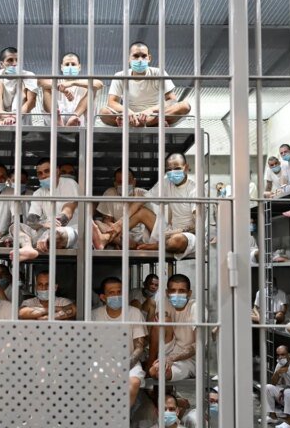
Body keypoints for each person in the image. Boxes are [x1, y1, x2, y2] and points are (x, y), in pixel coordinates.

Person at [100, 41, 190, 127]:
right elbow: (112, 102)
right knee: (103, 112)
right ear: (128, 58)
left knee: (185, 106)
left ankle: (136, 124)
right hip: (130, 116)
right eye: (136, 56)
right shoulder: (120, 76)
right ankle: (151, 124)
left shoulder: (159, 73)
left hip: (154, 115)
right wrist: (127, 111)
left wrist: (151, 110)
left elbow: (172, 100)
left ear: (149, 58)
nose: (140, 60)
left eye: (144, 56)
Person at [7, 158, 79, 261]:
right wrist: (43, 223)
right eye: (40, 173)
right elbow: (31, 220)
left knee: (57, 236)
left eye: (47, 171)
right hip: (44, 236)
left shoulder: (69, 183)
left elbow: (68, 211)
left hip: (67, 231)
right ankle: (27, 247)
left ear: (57, 171)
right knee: (14, 227)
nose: (43, 176)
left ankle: (44, 240)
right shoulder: (38, 193)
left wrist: (48, 233)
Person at [127, 153, 197, 260]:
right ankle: (112, 236)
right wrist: (118, 224)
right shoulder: (166, 182)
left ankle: (158, 246)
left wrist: (179, 231)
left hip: (189, 236)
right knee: (142, 213)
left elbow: (198, 227)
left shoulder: (194, 189)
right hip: (170, 232)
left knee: (175, 241)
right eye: (169, 169)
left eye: (177, 168)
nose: (172, 172)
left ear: (186, 167)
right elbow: (141, 200)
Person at [92, 277, 146, 407]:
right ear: (103, 297)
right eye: (111, 293)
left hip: (130, 361)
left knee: (133, 383)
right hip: (101, 362)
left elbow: (139, 347)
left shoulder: (134, 313)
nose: (116, 296)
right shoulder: (94, 315)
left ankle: (122, 417)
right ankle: (103, 416)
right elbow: (90, 347)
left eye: (119, 292)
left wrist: (124, 366)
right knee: (96, 382)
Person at [145, 274, 196, 383]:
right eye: (173, 290)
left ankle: (154, 368)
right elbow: (156, 330)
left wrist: (171, 358)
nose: (177, 294)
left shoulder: (196, 307)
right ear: (167, 293)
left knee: (156, 371)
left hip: (187, 359)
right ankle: (150, 362)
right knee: (161, 321)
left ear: (189, 293)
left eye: (182, 291)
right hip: (167, 350)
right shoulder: (164, 302)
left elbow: (198, 345)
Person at [39, 52, 103, 126]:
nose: (70, 67)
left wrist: (72, 83)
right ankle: (56, 118)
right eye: (67, 64)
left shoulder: (84, 82)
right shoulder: (56, 81)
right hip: (56, 122)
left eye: (73, 64)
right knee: (46, 88)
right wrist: (61, 88)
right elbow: (40, 81)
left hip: (80, 121)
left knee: (92, 88)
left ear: (79, 67)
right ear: (61, 67)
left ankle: (74, 117)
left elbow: (99, 84)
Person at [94, 167, 153, 249]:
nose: (124, 185)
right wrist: (115, 229)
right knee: (97, 223)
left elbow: (151, 221)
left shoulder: (143, 194)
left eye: (128, 181)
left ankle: (124, 243)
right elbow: (107, 220)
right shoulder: (110, 193)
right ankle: (126, 243)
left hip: (142, 235)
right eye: (120, 182)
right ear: (115, 184)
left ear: (134, 182)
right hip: (119, 235)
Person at [0, 46, 38, 125]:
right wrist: (3, 115)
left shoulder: (29, 75)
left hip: (20, 120)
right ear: (1, 64)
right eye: (10, 60)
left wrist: (14, 116)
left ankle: (14, 117)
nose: (15, 64)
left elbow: (32, 102)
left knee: (21, 84)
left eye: (17, 60)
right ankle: (0, 121)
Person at [264, 345, 290, 427]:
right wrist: (278, 373)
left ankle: (289, 423)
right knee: (267, 387)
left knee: (288, 391)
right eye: (278, 355)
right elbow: (273, 383)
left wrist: (283, 390)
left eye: (283, 354)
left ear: (289, 355)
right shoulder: (279, 364)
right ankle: (272, 417)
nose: (280, 357)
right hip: (285, 395)